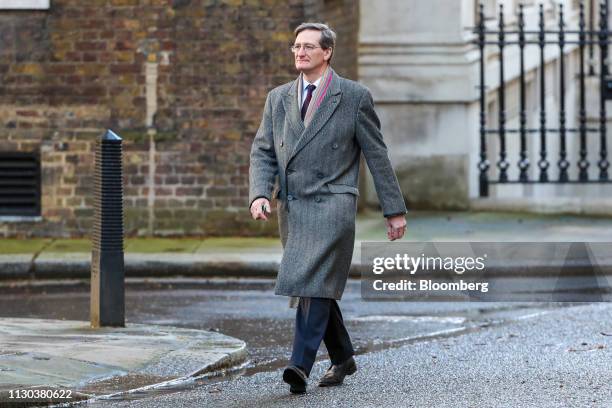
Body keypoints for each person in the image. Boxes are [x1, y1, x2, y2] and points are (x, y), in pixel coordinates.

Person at [249, 22, 407, 394]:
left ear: (327, 52)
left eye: (308, 47)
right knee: (312, 282)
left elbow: (376, 154)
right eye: (296, 46)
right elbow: (264, 151)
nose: (299, 52)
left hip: (333, 202)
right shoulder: (278, 98)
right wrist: (259, 193)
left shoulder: (353, 96)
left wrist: (393, 209)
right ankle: (343, 355)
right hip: (293, 205)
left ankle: (298, 365)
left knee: (315, 280)